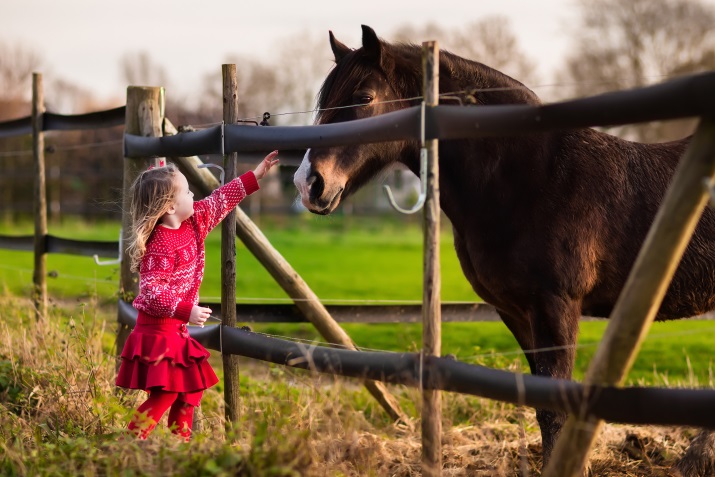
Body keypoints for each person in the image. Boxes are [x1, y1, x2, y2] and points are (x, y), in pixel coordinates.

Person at [116, 151, 279, 441]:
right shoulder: (159, 246)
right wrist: (185, 311)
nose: (195, 195)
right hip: (157, 331)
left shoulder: (194, 222)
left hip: (174, 330)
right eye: (188, 191)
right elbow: (152, 293)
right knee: (165, 394)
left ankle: (180, 444)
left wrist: (255, 175)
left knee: (189, 390)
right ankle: (128, 445)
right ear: (169, 207)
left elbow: (220, 200)